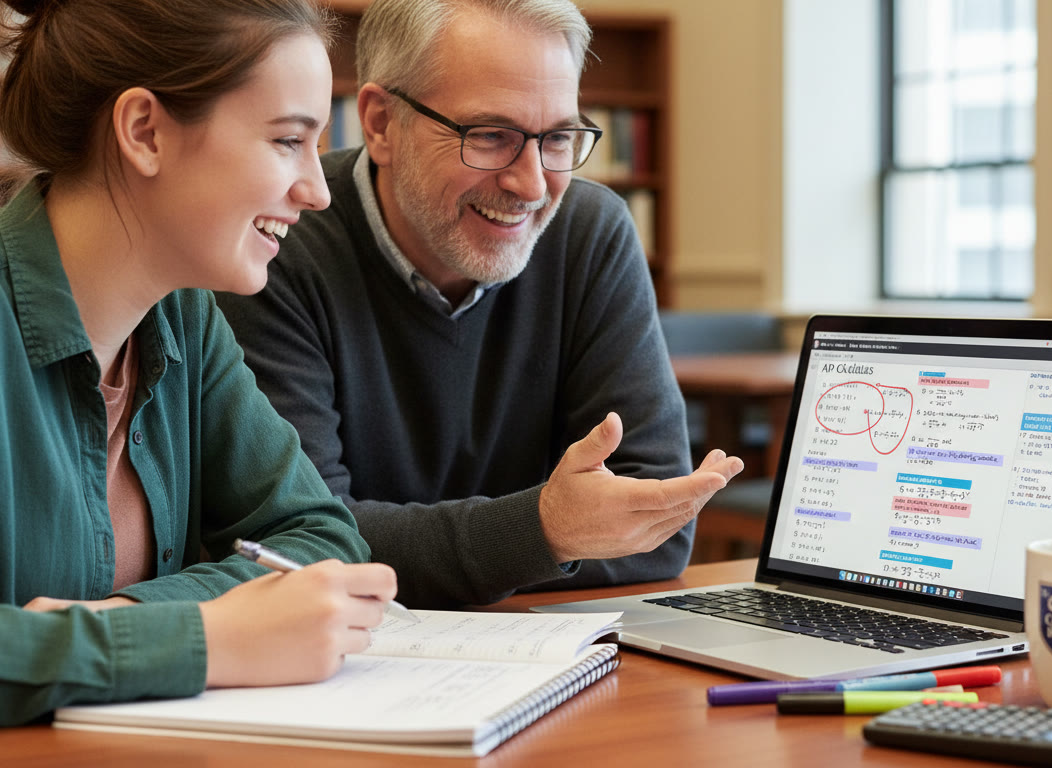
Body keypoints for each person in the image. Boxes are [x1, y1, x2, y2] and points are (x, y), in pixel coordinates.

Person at [0, 0, 398, 729]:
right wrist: (205, 639)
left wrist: (120, 621)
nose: (318, 188)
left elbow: (320, 540)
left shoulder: (184, 319)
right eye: (286, 141)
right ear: (144, 131)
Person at [216, 0, 743, 609]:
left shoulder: (590, 232)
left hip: (555, 655)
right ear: (381, 124)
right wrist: (546, 531)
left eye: (559, 138)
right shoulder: (277, 242)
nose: (533, 184)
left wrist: (497, 545)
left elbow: (655, 527)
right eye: (490, 136)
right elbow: (297, 545)